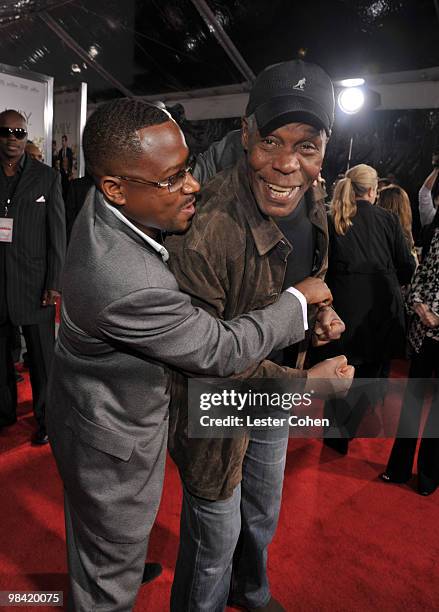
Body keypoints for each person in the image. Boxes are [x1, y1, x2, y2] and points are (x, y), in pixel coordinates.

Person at [46, 98, 333, 612]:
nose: (194, 185)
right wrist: (298, 306)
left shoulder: (110, 203)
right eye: (173, 179)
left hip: (89, 411)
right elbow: (220, 350)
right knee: (107, 587)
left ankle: (115, 561)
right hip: (111, 442)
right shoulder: (126, 280)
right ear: (115, 188)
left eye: (188, 168)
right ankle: (111, 578)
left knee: (103, 545)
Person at [166, 60, 354, 612]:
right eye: (270, 139)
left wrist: (317, 319)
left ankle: (251, 591)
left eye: (306, 147)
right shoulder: (205, 228)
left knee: (263, 512)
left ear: (324, 150)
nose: (286, 165)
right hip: (217, 403)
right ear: (244, 132)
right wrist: (306, 386)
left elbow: (304, 281)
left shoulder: (313, 199)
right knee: (213, 541)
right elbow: (209, 359)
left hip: (272, 394)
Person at [316, 164, 416, 454]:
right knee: (369, 375)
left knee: (339, 371)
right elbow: (407, 266)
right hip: (379, 310)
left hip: (342, 308)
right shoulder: (388, 220)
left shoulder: (332, 218)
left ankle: (335, 436)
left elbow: (320, 266)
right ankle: (344, 432)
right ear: (373, 191)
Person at [0, 109, 65, 444]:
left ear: (27, 137)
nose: (12, 138)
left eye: (19, 132)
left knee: (42, 359)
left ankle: (47, 419)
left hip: (35, 283)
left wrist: (54, 283)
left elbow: (57, 234)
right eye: (5, 132)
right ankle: (4, 412)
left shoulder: (47, 177)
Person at [381, 228, 439, 495]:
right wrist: (419, 305)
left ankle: (429, 476)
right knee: (412, 404)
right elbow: (422, 274)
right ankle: (398, 468)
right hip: (424, 334)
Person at [377, 184, 417, 262]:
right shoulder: (406, 232)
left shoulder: (381, 233)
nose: (375, 205)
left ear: (384, 204)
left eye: (378, 201)